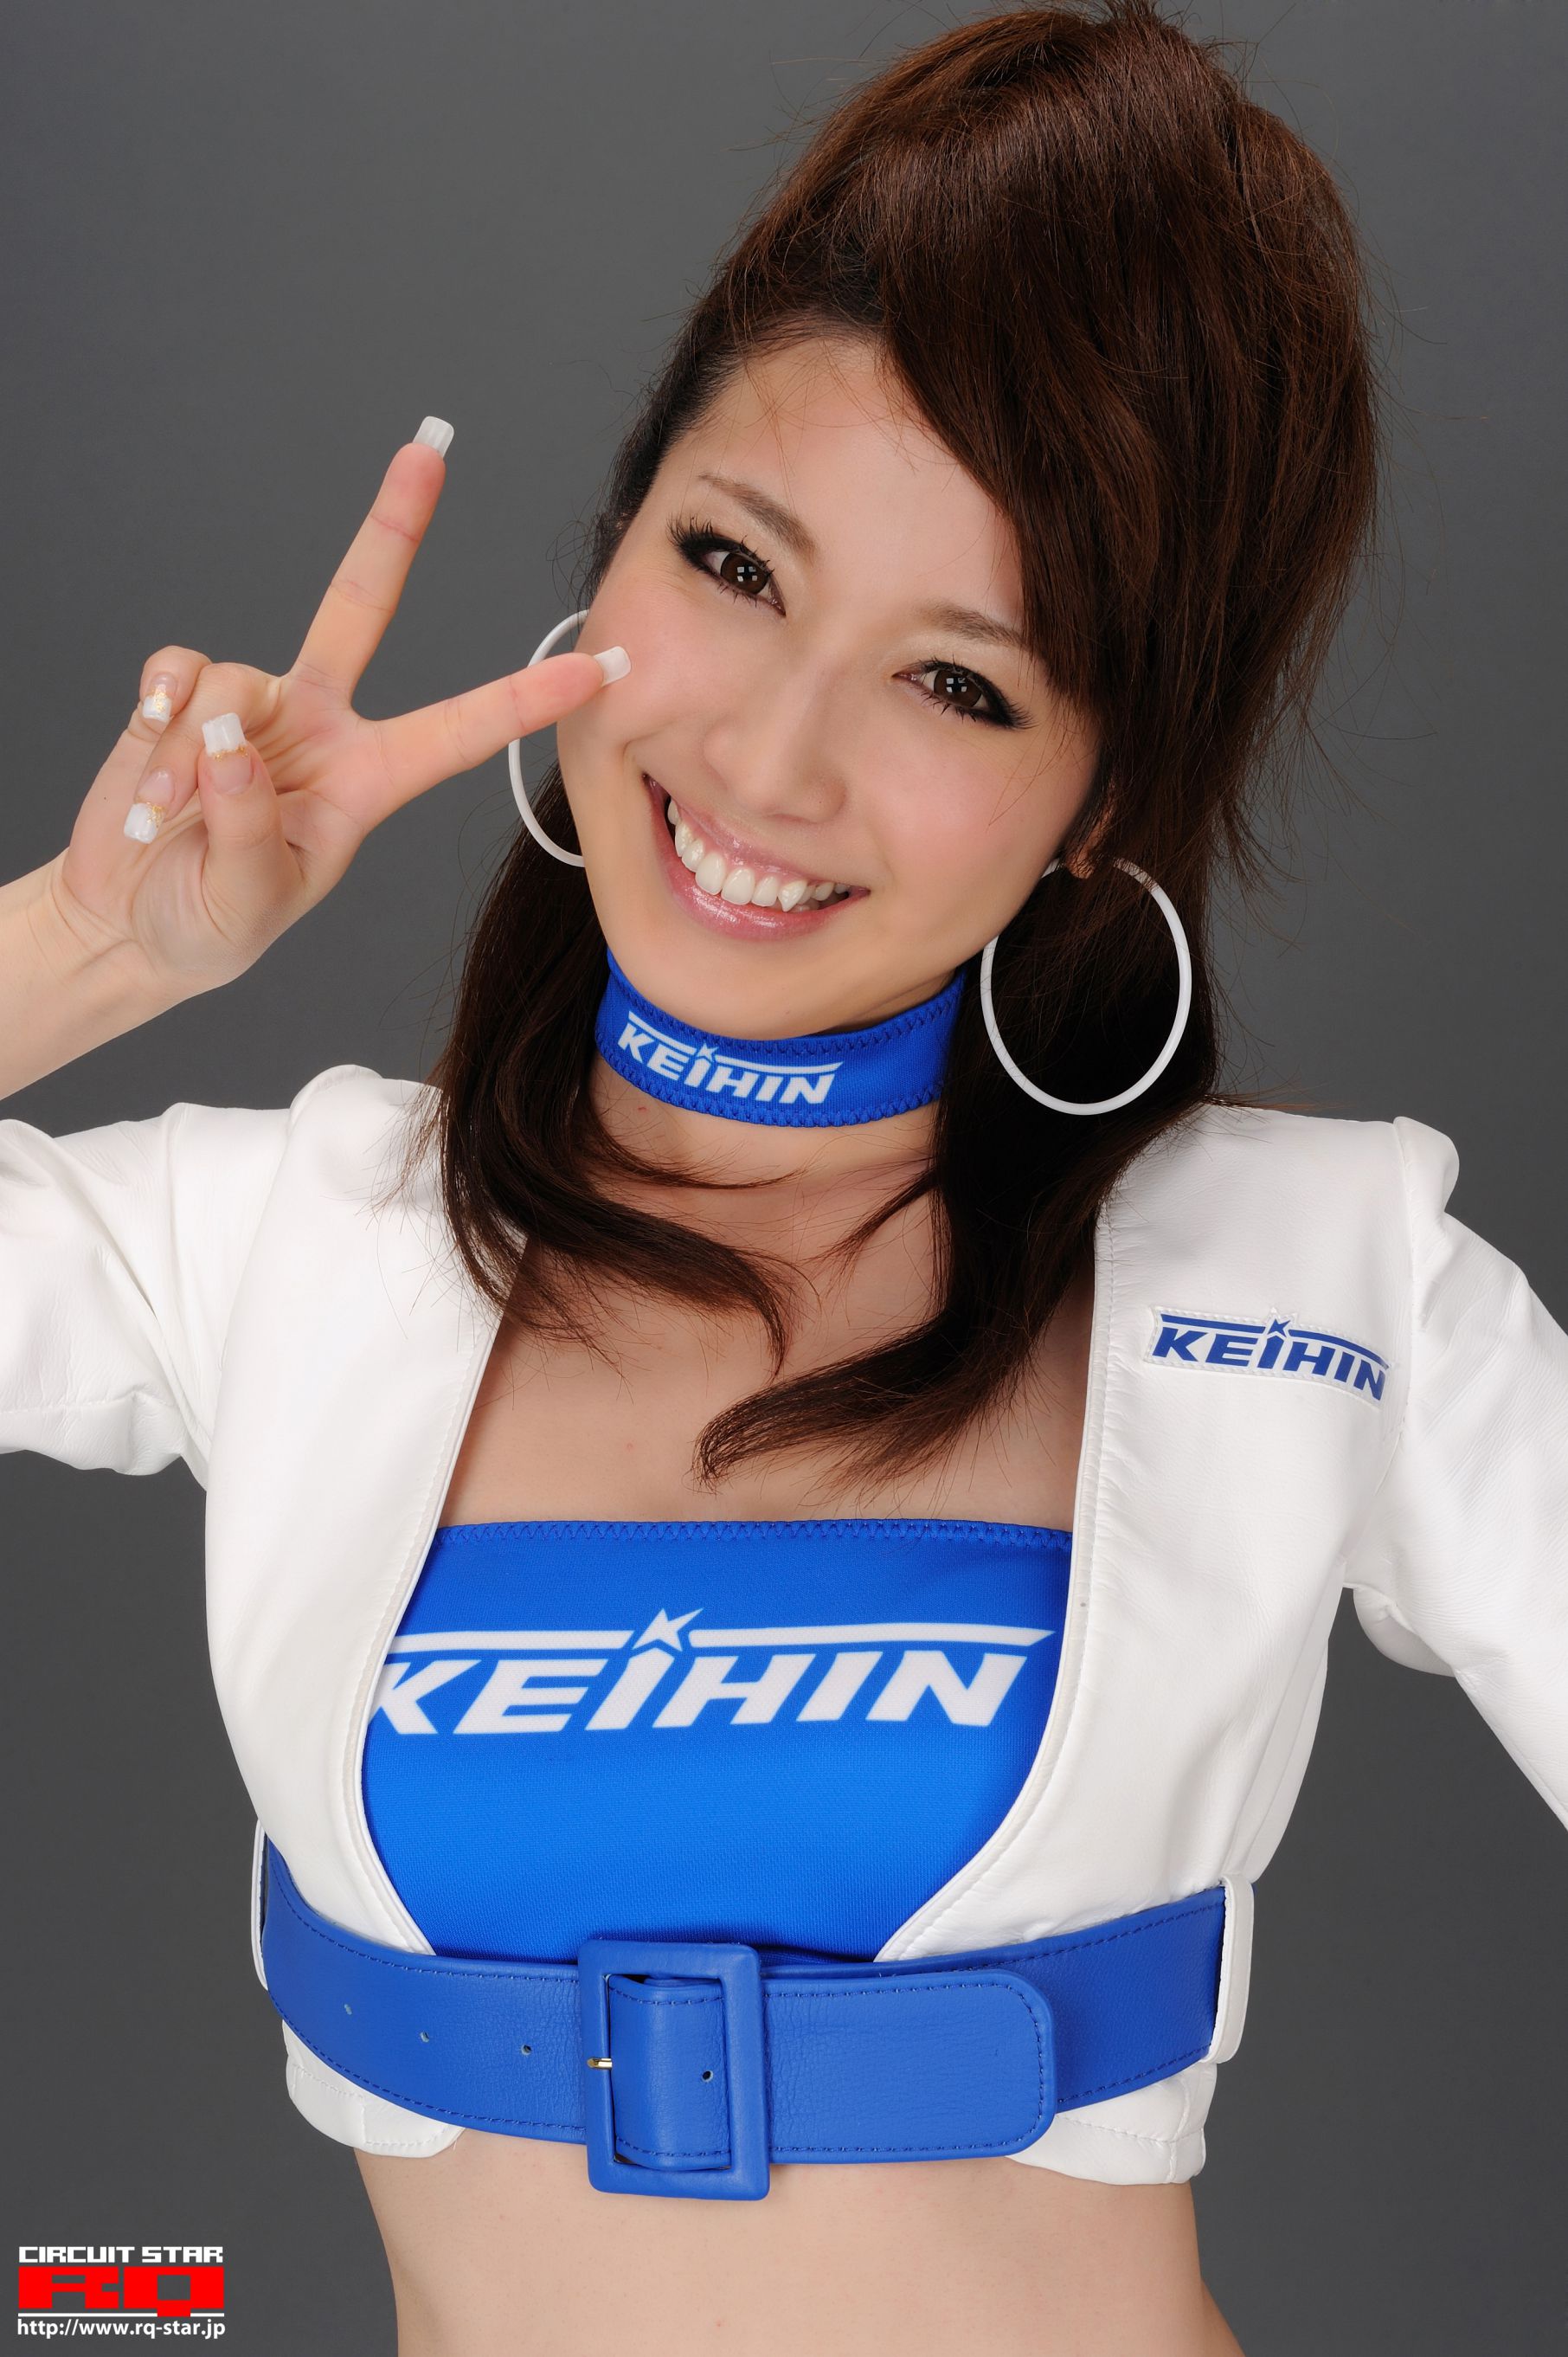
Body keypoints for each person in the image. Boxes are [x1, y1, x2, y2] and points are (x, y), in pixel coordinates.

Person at [3, 5, 1564, 2354]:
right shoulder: (279, 1249)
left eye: (960, 683)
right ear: (611, 546)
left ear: (1102, 802)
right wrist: (93, 942)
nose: (768, 756)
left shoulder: (1325, 1287)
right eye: (732, 563)